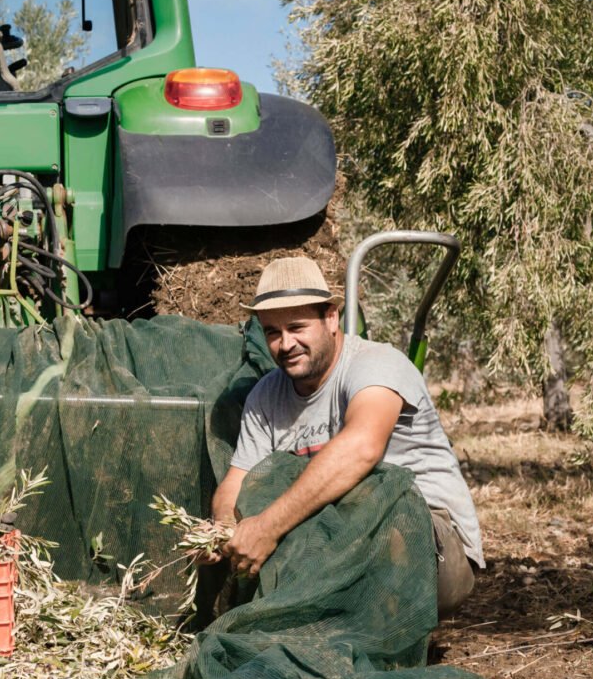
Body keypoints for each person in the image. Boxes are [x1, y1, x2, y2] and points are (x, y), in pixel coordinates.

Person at [205, 256, 483, 616]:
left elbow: (362, 450)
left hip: (432, 547)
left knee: (370, 499)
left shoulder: (378, 364)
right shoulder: (265, 396)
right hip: (336, 544)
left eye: (297, 327)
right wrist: (224, 531)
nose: (285, 344)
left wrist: (268, 526)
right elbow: (236, 482)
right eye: (272, 332)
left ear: (331, 318)